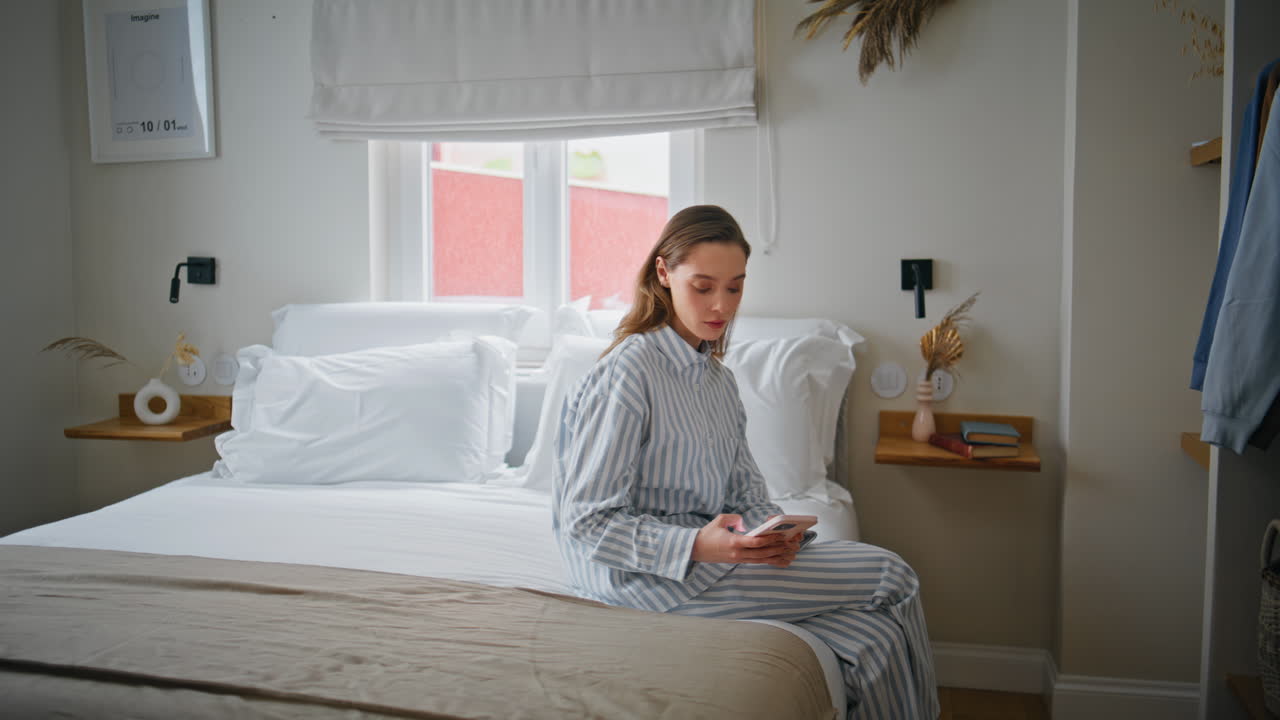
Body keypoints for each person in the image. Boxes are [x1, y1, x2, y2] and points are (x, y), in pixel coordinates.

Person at [551, 205, 939, 720]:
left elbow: (747, 494)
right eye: (703, 286)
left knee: (873, 640)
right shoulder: (630, 371)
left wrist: (773, 533)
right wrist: (697, 543)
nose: (721, 305)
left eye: (734, 287)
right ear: (664, 275)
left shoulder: (718, 380)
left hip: (718, 563)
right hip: (645, 581)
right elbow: (586, 523)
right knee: (894, 574)